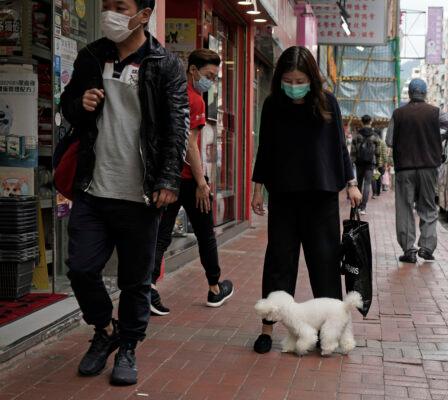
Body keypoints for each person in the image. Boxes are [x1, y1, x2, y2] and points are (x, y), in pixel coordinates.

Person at [60, 0, 189, 386]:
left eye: (121, 6)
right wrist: (78, 105)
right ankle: (104, 329)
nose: (111, 13)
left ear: (144, 14)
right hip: (93, 187)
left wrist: (167, 180)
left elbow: (175, 126)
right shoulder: (91, 55)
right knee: (81, 269)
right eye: (109, 5)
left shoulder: (164, 64)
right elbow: (68, 106)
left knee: (135, 280)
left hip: (140, 194)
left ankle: (129, 347)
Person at [251, 46, 362, 354]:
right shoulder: (273, 104)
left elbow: (340, 147)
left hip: (321, 196)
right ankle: (266, 329)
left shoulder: (328, 103)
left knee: (324, 264)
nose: (294, 84)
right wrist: (257, 186)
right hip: (284, 195)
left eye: (300, 78)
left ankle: (334, 332)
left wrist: (352, 183)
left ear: (312, 78)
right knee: (278, 263)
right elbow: (266, 147)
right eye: (288, 79)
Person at [150, 49, 234, 316]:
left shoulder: (168, 93)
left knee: (161, 235)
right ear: (193, 70)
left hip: (167, 177)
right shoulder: (194, 100)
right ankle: (214, 288)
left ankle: (148, 288)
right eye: (209, 75)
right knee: (206, 235)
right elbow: (191, 146)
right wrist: (201, 183)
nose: (211, 80)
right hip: (188, 179)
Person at [386, 78, 448, 264]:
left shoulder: (398, 114)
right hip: (428, 167)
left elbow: (389, 141)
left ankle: (409, 250)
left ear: (410, 93)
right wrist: (442, 136)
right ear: (425, 93)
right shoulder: (434, 112)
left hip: (404, 169)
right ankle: (427, 248)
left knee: (405, 208)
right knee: (428, 207)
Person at [351, 115, 380, 215]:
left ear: (361, 122)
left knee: (359, 183)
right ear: (370, 122)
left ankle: (357, 206)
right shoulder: (375, 136)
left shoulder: (357, 135)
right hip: (370, 163)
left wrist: (352, 162)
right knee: (367, 184)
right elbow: (378, 151)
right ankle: (363, 208)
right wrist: (377, 163)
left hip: (359, 163)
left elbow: (353, 151)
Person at [371, 128, 387, 198]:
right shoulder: (382, 142)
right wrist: (385, 163)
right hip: (380, 164)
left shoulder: (372, 141)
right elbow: (384, 154)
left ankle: (374, 193)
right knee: (378, 178)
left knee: (374, 178)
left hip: (374, 163)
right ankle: (378, 192)